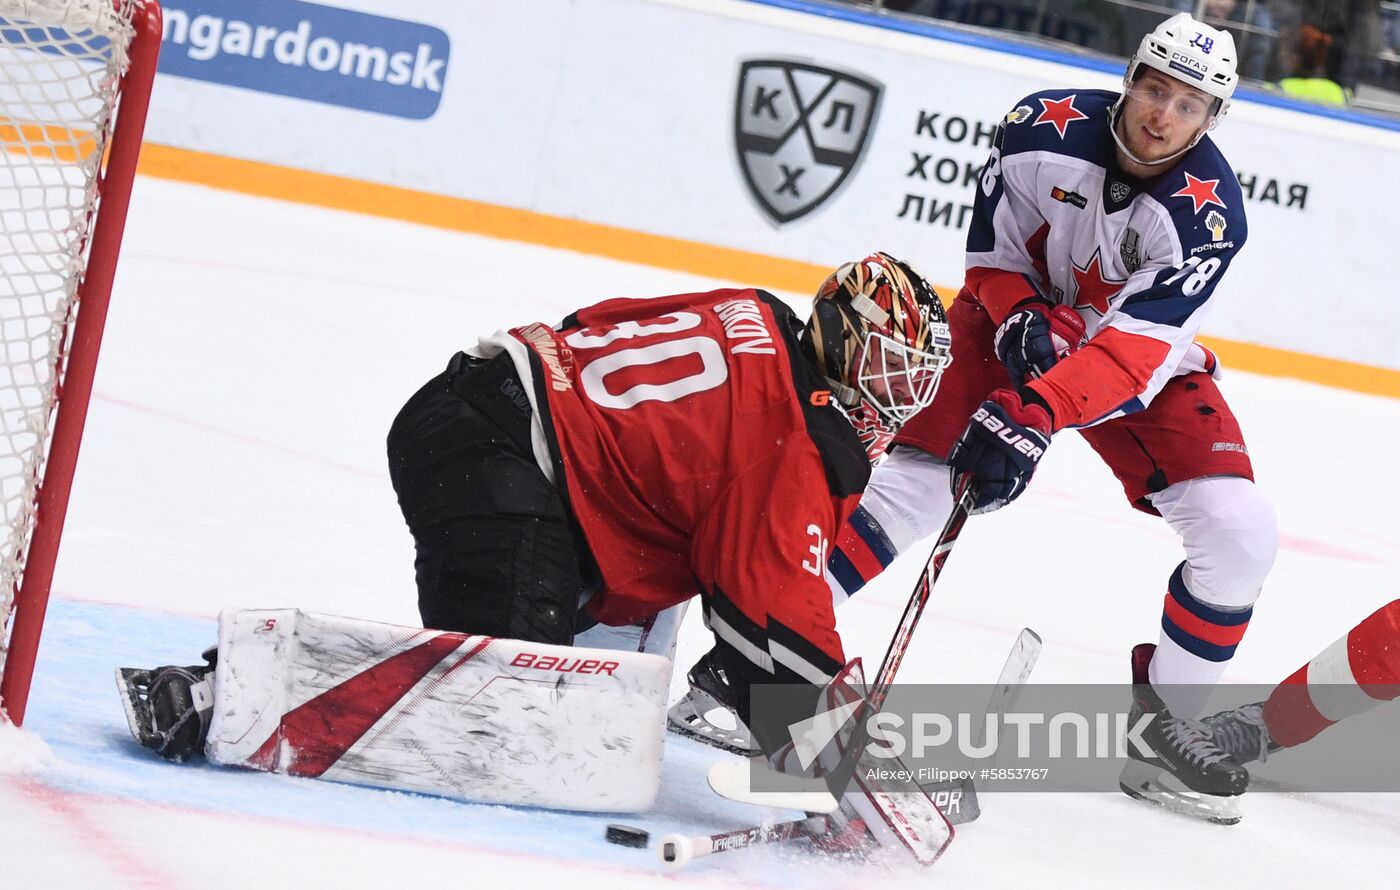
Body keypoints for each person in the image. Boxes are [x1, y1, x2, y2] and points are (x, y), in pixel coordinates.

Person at [118, 253, 955, 847]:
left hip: (483, 410)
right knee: (503, 715)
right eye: (890, 369)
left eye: (915, 381)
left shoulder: (757, 311)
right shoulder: (792, 439)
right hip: (502, 464)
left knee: (598, 705)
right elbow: (776, 631)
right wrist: (847, 773)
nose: (900, 398)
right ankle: (220, 693)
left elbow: (597, 324)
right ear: (843, 338)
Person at [673, 12, 1277, 826]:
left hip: (1129, 369)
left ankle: (1162, 728)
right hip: (1007, 333)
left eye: (1189, 104)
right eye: (1154, 87)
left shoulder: (1209, 216)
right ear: (1130, 77)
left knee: (1239, 532)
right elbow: (990, 260)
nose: (1163, 113)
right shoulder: (1039, 130)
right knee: (914, 492)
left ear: (1213, 120)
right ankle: (745, 666)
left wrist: (1036, 409)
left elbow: (1133, 353)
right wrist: (1020, 314)